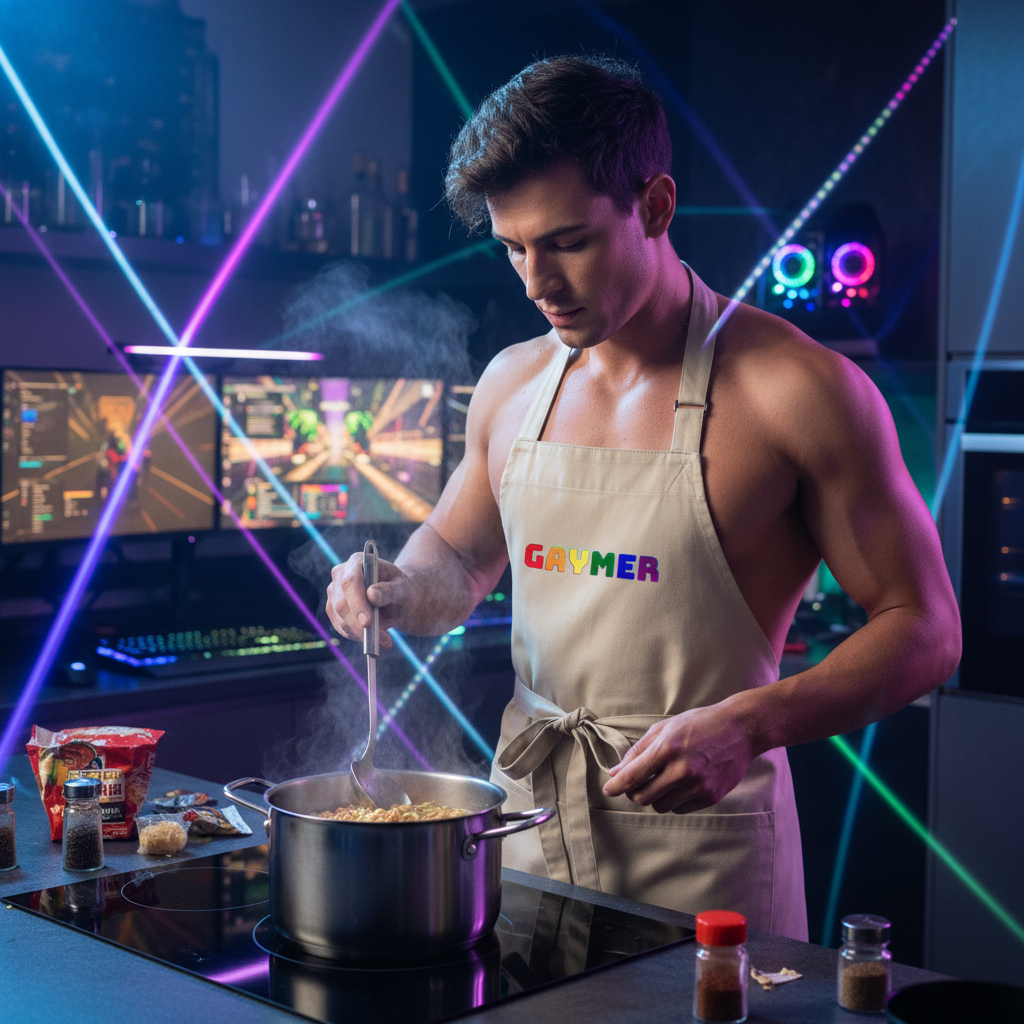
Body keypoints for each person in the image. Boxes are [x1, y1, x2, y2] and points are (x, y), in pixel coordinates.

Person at [326, 56, 960, 940]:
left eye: (568, 241)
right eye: (513, 248)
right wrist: (390, 585)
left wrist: (750, 723)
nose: (535, 281)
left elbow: (925, 628)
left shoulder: (800, 392)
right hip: (525, 833)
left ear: (655, 207)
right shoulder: (513, 383)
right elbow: (461, 557)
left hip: (705, 854)